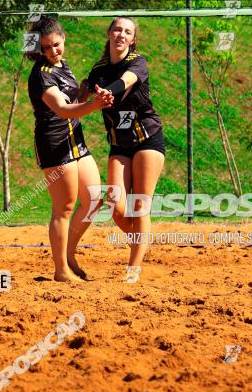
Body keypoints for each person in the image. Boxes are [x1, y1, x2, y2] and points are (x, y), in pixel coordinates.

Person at [27, 16, 113, 283]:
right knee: (64, 207)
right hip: (54, 143)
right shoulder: (41, 75)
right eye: (46, 48)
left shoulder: (63, 66)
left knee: (94, 200)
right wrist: (94, 105)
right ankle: (61, 270)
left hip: (75, 140)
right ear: (39, 50)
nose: (53, 51)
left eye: (56, 44)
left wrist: (84, 94)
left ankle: (69, 254)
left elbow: (71, 101)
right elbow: (62, 110)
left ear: (63, 38)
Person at [86, 17, 165, 283]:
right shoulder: (98, 70)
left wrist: (107, 92)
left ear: (132, 39)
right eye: (117, 29)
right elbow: (79, 93)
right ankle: (140, 240)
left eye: (127, 31)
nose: (121, 34)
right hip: (119, 143)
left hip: (147, 138)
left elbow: (126, 81)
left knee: (140, 204)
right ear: (109, 33)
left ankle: (133, 268)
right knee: (116, 205)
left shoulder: (137, 63)